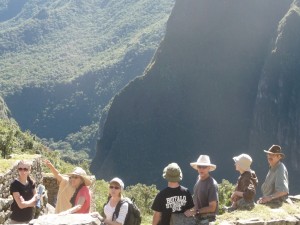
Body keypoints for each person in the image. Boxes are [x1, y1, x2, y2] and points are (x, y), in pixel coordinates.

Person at [185, 155, 218, 223]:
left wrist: (195, 212)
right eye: (199, 166)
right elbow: (196, 198)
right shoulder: (199, 178)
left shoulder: (212, 184)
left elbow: (212, 207)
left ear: (209, 168)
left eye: (204, 167)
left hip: (208, 219)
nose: (201, 169)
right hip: (198, 216)